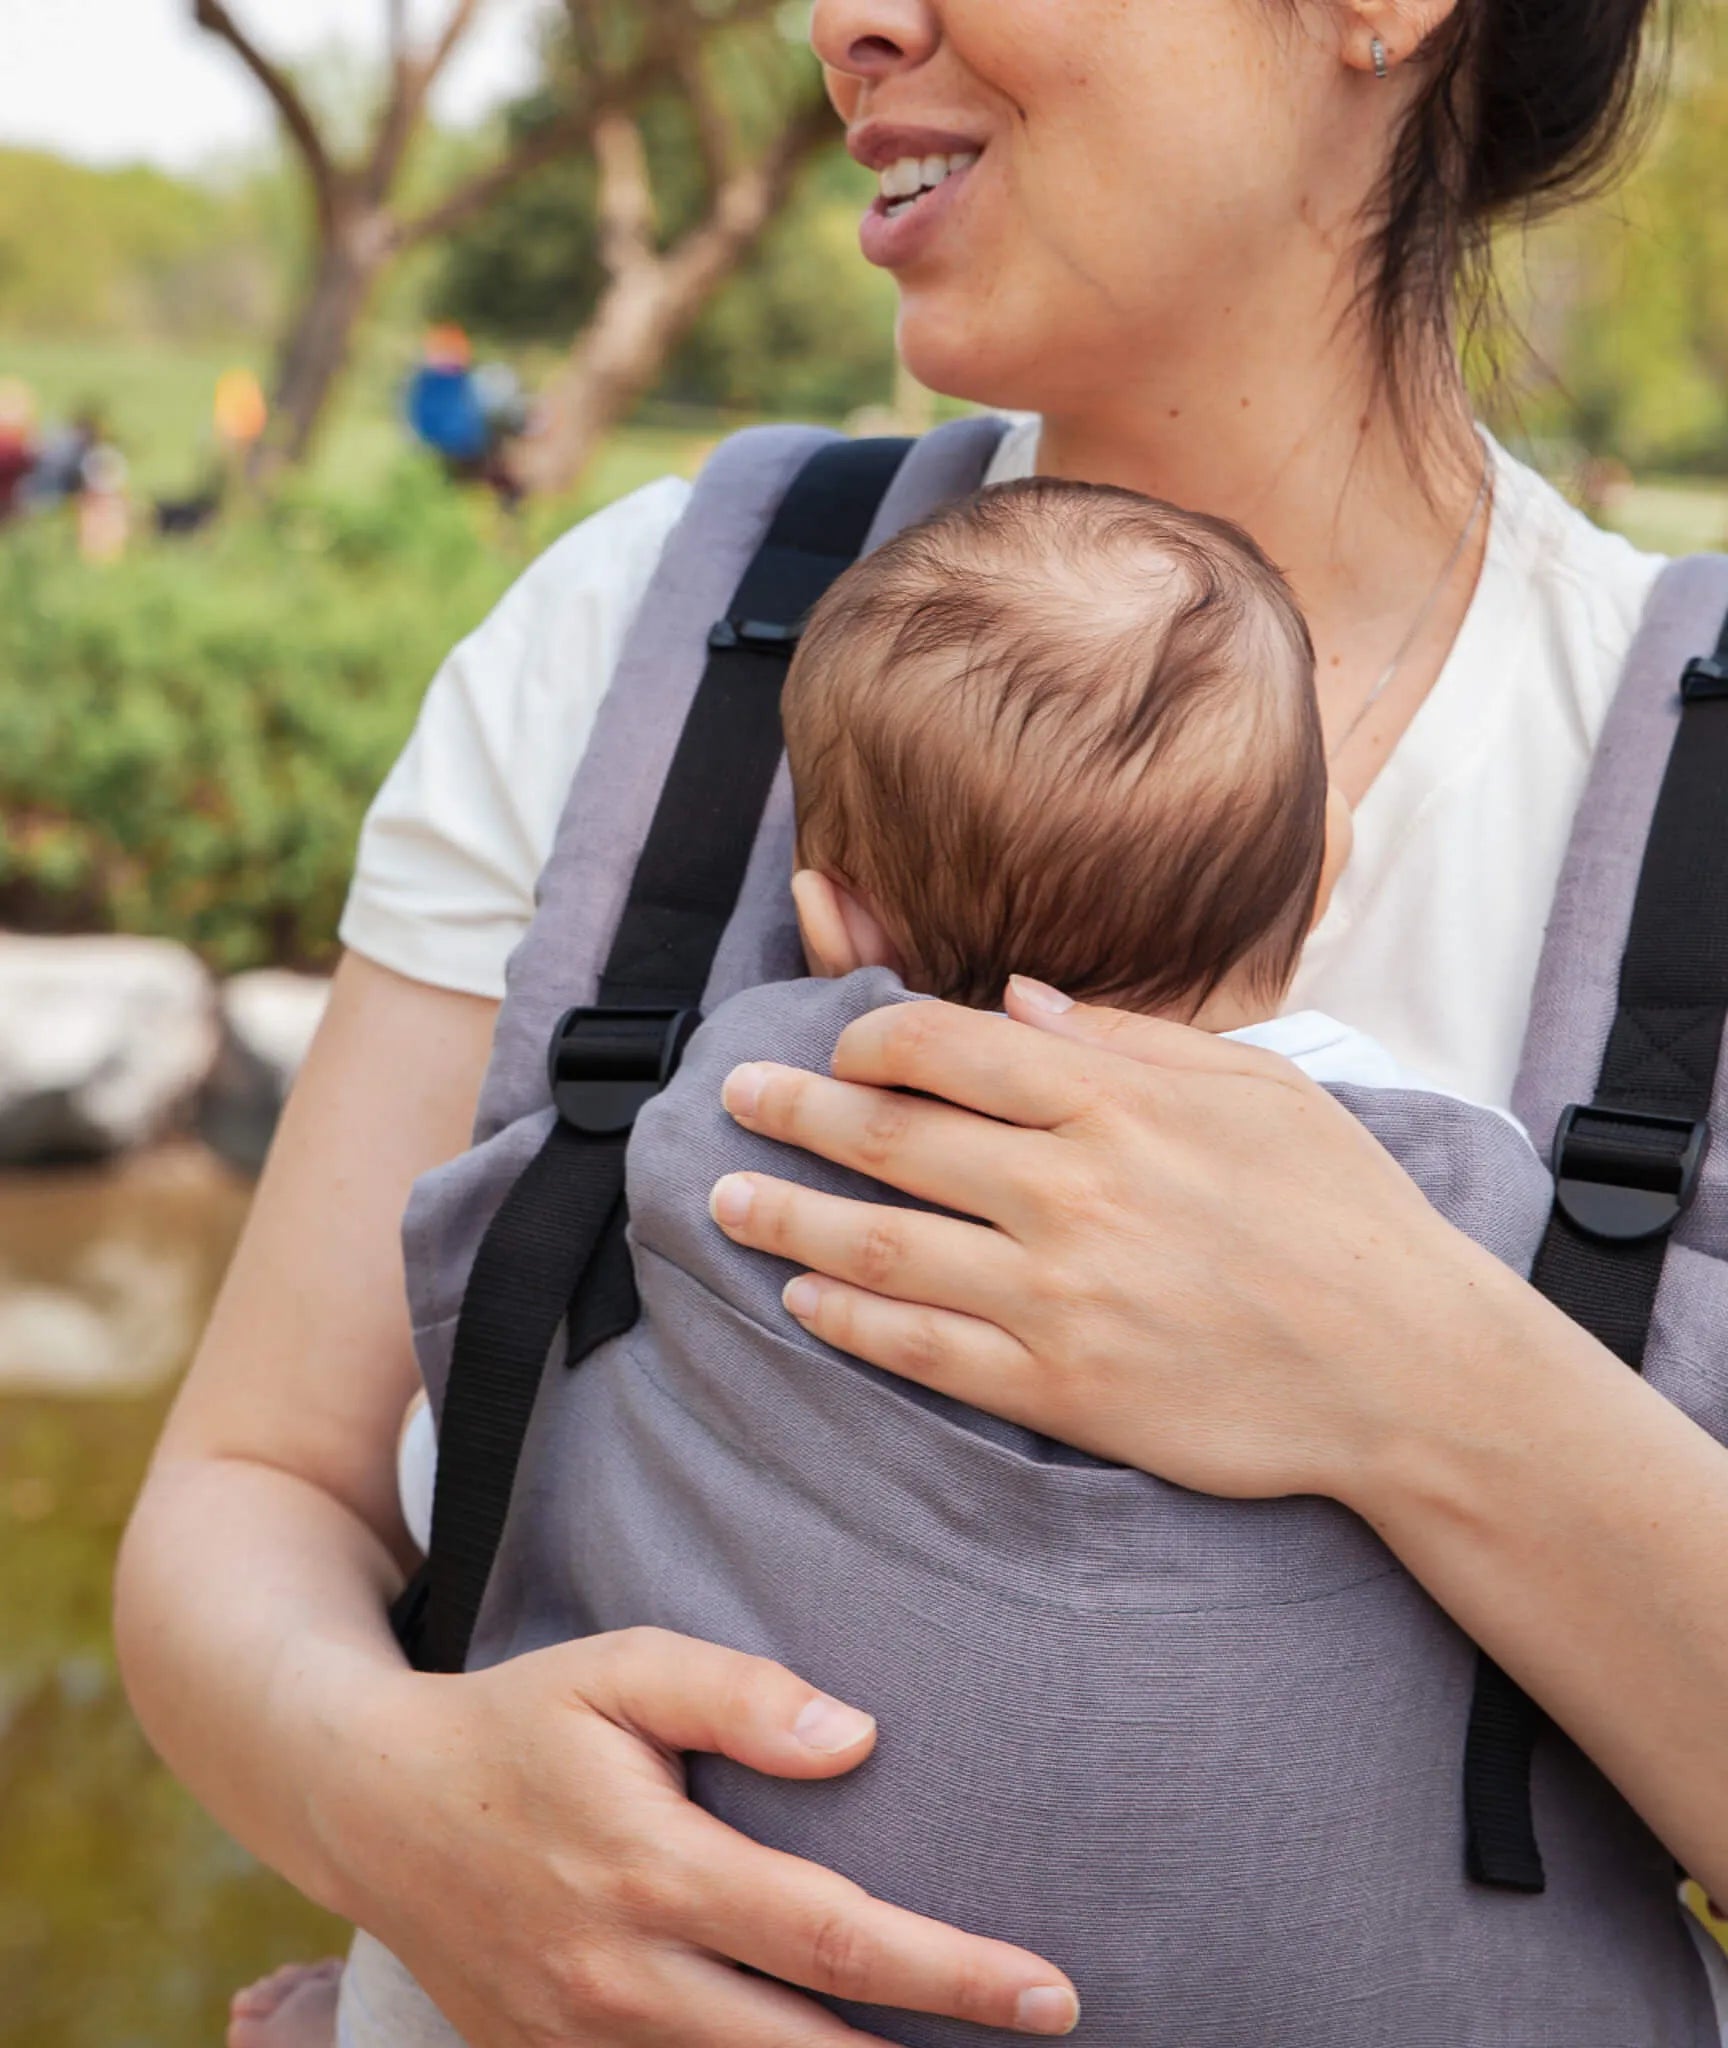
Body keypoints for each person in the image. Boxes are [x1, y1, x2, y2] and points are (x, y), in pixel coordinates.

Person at [114, 0, 1728, 2043]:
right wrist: (391, 1806)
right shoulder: (651, 640)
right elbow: (251, 1494)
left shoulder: (1682, 784)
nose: (846, 22)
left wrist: (1417, 1371)